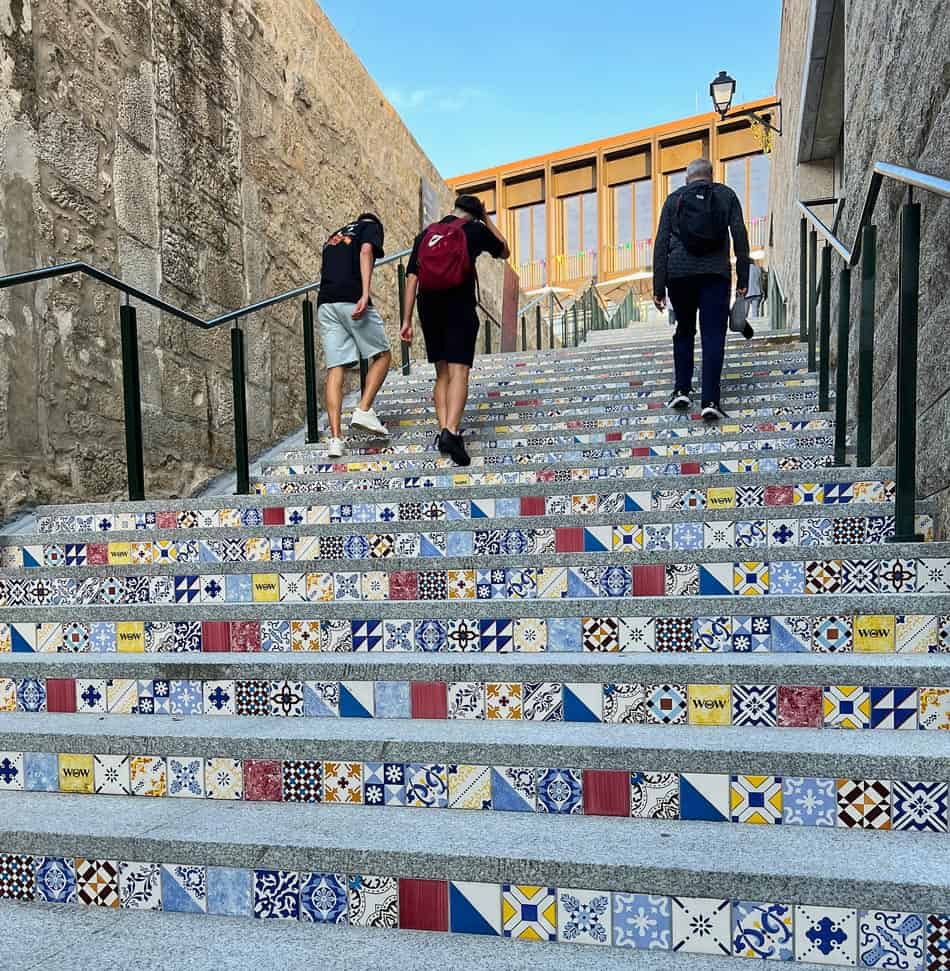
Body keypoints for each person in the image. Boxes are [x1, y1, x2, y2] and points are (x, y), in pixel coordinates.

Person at [400, 194, 510, 466]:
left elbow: (412, 277)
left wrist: (406, 320)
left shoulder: (426, 234)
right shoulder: (474, 229)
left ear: (455, 209)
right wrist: (485, 218)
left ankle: (443, 431)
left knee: (442, 372)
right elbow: (504, 251)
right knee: (459, 370)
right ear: (474, 213)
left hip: (428, 305)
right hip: (459, 303)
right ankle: (451, 431)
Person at [652, 158, 750, 420]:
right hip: (715, 274)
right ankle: (710, 401)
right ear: (711, 175)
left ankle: (682, 389)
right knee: (713, 335)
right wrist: (743, 277)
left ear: (687, 179)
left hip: (679, 275)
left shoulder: (674, 200)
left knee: (684, 331)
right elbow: (740, 235)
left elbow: (661, 243)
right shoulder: (726, 195)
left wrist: (658, 286)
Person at [316, 213, 392, 458]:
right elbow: (367, 251)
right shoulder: (370, 226)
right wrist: (365, 293)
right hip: (351, 298)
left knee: (336, 368)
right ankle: (364, 409)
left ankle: (336, 439)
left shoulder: (333, 237)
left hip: (326, 304)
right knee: (382, 355)